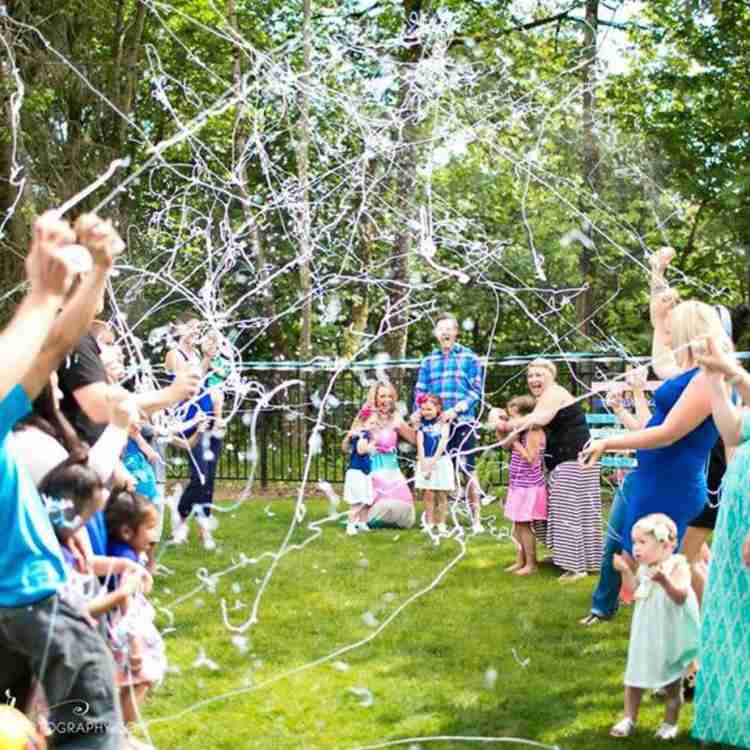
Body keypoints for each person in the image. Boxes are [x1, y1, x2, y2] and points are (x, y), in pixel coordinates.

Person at [0, 212, 125, 748]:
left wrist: (97, 269)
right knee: (88, 730)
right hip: (33, 603)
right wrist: (44, 291)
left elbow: (54, 348)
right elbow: (44, 344)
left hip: (12, 617)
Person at [579, 301, 730, 559]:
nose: (666, 335)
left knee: (673, 565)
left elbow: (668, 433)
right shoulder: (685, 371)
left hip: (674, 482)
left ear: (687, 330)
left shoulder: (706, 377)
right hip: (655, 478)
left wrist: (606, 443)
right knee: (658, 561)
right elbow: (660, 358)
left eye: (672, 330)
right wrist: (657, 278)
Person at [691, 338, 750, 748]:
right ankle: (735, 718)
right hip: (736, 511)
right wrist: (716, 379)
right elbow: (733, 430)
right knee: (732, 612)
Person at [495, 358, 602, 581]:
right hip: (567, 459)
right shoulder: (546, 397)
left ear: (551, 376)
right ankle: (574, 559)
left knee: (568, 514)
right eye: (530, 376)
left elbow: (539, 419)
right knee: (566, 512)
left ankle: (576, 569)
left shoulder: (553, 393)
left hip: (574, 458)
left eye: (539, 375)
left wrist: (506, 425)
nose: (534, 380)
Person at [609, 513, 700, 740]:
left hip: (668, 634)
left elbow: (680, 597)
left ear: (665, 545)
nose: (636, 548)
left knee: (671, 680)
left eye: (642, 542)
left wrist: (664, 581)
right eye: (634, 542)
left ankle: (670, 723)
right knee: (634, 676)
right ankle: (629, 717)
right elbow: (633, 592)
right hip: (645, 633)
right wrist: (625, 571)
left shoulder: (677, 565)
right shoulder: (644, 568)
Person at [413, 313, 485, 532]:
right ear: (436, 334)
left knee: (467, 469)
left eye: (449, 328)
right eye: (440, 329)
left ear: (456, 332)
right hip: (434, 427)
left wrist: (455, 410)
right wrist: (418, 413)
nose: (445, 332)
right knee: (434, 469)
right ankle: (435, 520)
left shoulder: (470, 358)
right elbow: (420, 391)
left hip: (462, 421)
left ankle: (477, 521)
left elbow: (476, 392)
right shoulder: (428, 361)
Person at [105, 489, 166, 731]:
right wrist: (136, 647)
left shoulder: (122, 550)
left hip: (114, 622)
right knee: (142, 677)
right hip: (121, 626)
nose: (153, 535)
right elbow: (125, 603)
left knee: (129, 680)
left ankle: (116, 734)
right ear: (127, 531)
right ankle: (119, 734)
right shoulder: (124, 556)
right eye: (149, 527)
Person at [166, 313, 222, 549]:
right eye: (190, 327)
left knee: (208, 478)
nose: (195, 332)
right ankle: (179, 518)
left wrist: (217, 417)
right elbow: (190, 384)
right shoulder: (174, 354)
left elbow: (210, 387)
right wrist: (206, 359)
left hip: (207, 419)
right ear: (177, 329)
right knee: (199, 476)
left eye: (198, 328)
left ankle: (203, 527)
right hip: (190, 422)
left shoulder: (196, 355)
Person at [500, 395, 547, 576]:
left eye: (514, 416)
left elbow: (530, 457)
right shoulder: (521, 431)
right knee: (518, 525)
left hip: (529, 487)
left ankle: (531, 563)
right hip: (518, 484)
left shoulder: (534, 431)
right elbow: (504, 444)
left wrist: (516, 443)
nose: (511, 421)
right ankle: (520, 560)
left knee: (525, 525)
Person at [366, 382, 417, 529]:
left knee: (406, 513)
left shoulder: (396, 419)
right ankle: (370, 516)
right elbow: (346, 445)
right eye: (382, 396)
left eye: (390, 396)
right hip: (373, 467)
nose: (387, 400)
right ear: (375, 399)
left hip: (392, 469)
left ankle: (387, 517)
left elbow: (414, 440)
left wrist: (419, 424)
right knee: (383, 501)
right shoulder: (366, 417)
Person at [414, 393, 454, 535]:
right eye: (423, 409)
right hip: (425, 460)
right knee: (428, 493)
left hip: (440, 460)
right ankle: (429, 522)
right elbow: (420, 442)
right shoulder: (421, 424)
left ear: (438, 408)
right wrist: (424, 461)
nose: (426, 412)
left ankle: (441, 522)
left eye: (429, 409)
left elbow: (443, 441)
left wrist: (434, 460)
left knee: (442, 493)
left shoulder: (444, 422)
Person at [341, 405, 377, 536]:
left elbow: (345, 448)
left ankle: (362, 522)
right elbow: (361, 451)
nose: (373, 425)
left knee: (366, 499)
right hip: (357, 472)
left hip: (363, 471)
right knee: (356, 501)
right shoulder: (364, 434)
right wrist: (372, 446)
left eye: (375, 423)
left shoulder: (358, 434)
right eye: (371, 423)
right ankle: (351, 525)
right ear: (363, 422)